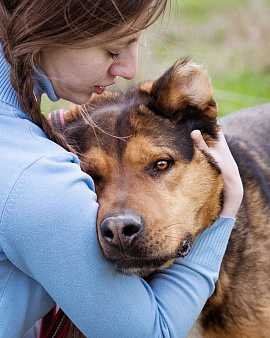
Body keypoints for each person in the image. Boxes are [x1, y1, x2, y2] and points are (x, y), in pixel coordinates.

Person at [0, 0, 243, 337]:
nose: (130, 69)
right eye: (112, 51)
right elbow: (152, 333)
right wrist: (229, 204)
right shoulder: (34, 176)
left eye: (159, 165)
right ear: (48, 27)